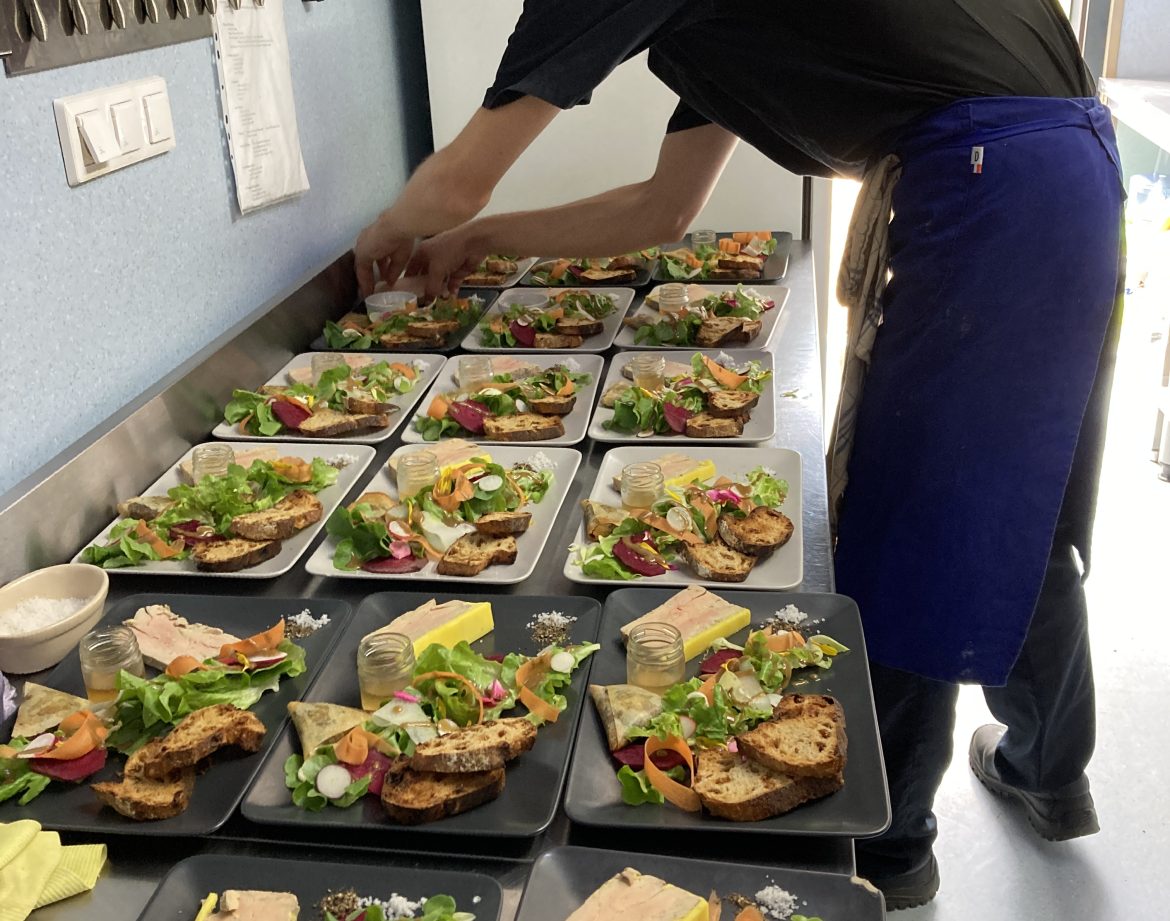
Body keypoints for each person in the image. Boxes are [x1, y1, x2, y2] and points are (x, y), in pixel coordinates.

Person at [354, 2, 1124, 909]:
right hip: (1052, 171)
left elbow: (456, 183)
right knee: (1012, 486)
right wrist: (474, 243)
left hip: (996, 185)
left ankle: (895, 848)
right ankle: (1048, 765)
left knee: (921, 514)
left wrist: (379, 242)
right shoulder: (734, 31)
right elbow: (662, 207)